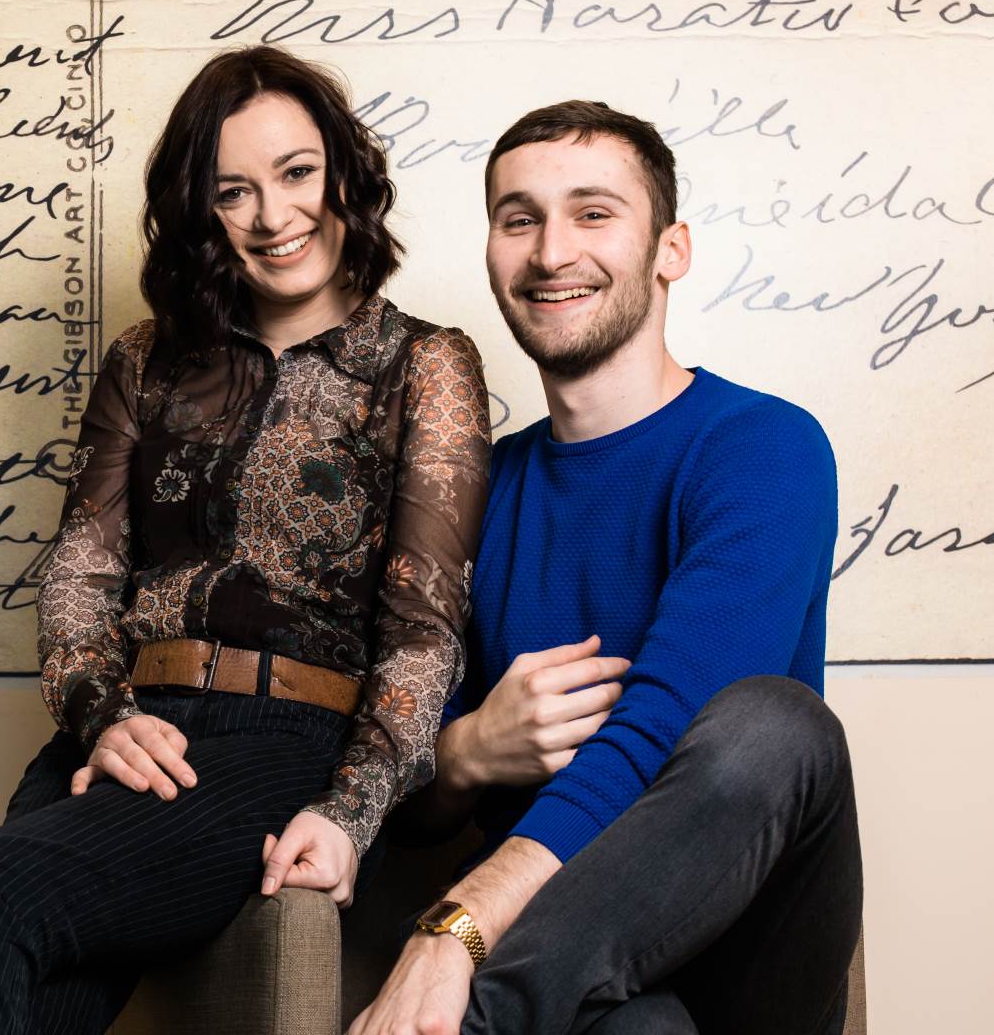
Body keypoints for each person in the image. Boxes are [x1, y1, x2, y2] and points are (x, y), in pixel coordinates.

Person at [0, 46, 493, 1034]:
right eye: (233, 191)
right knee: (19, 996)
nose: (273, 215)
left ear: (343, 173)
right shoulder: (144, 360)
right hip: (127, 731)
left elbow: (425, 629)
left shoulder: (423, 364)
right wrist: (102, 716)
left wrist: (351, 810)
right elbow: (81, 573)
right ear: (202, 211)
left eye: (297, 172)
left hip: (286, 743)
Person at [352, 101, 863, 1035]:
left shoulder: (762, 448)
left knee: (776, 724)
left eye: (593, 213)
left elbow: (665, 731)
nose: (552, 253)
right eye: (519, 219)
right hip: (573, 978)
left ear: (671, 250)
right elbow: (399, 789)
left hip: (745, 959)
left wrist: (454, 931)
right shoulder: (471, 488)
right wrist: (466, 754)